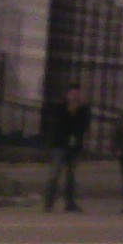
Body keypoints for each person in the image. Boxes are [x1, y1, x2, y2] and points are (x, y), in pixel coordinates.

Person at [41, 83, 90, 212]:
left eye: (77, 94)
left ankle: (70, 203)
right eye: (73, 93)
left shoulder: (83, 110)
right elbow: (57, 125)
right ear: (67, 95)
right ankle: (49, 202)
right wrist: (69, 112)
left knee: (71, 176)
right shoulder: (60, 107)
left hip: (74, 147)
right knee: (55, 174)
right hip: (59, 145)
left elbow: (84, 127)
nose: (75, 96)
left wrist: (76, 114)